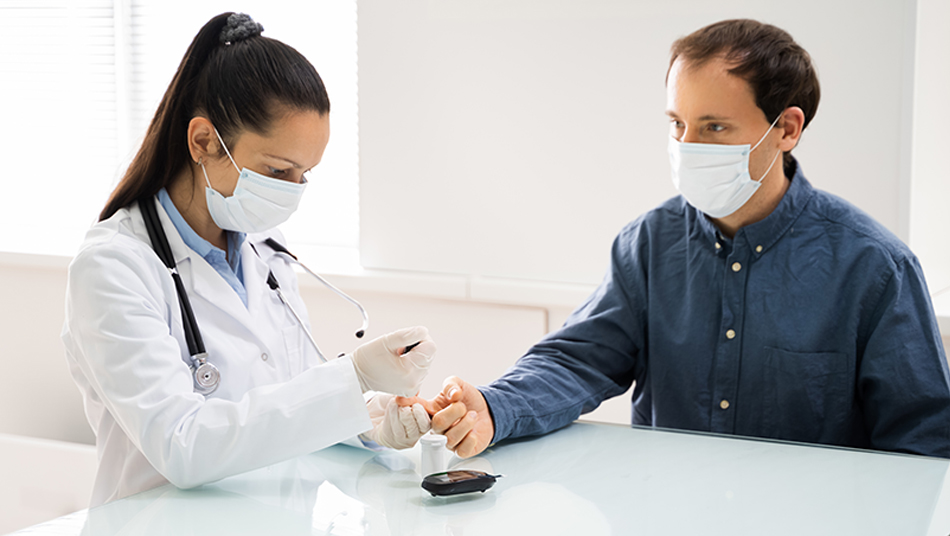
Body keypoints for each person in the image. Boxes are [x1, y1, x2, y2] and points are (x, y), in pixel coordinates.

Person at [425, 18, 950, 459]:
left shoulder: (874, 266)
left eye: (714, 127)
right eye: (677, 124)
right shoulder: (649, 243)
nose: (687, 146)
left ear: (787, 129)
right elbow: (578, 360)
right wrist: (495, 408)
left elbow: (924, 442)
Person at [62, 13, 434, 506]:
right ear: (203, 142)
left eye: (304, 174)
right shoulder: (113, 268)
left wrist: (371, 417)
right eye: (278, 171)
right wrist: (354, 377)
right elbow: (183, 445)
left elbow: (292, 398)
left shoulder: (265, 249)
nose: (293, 192)